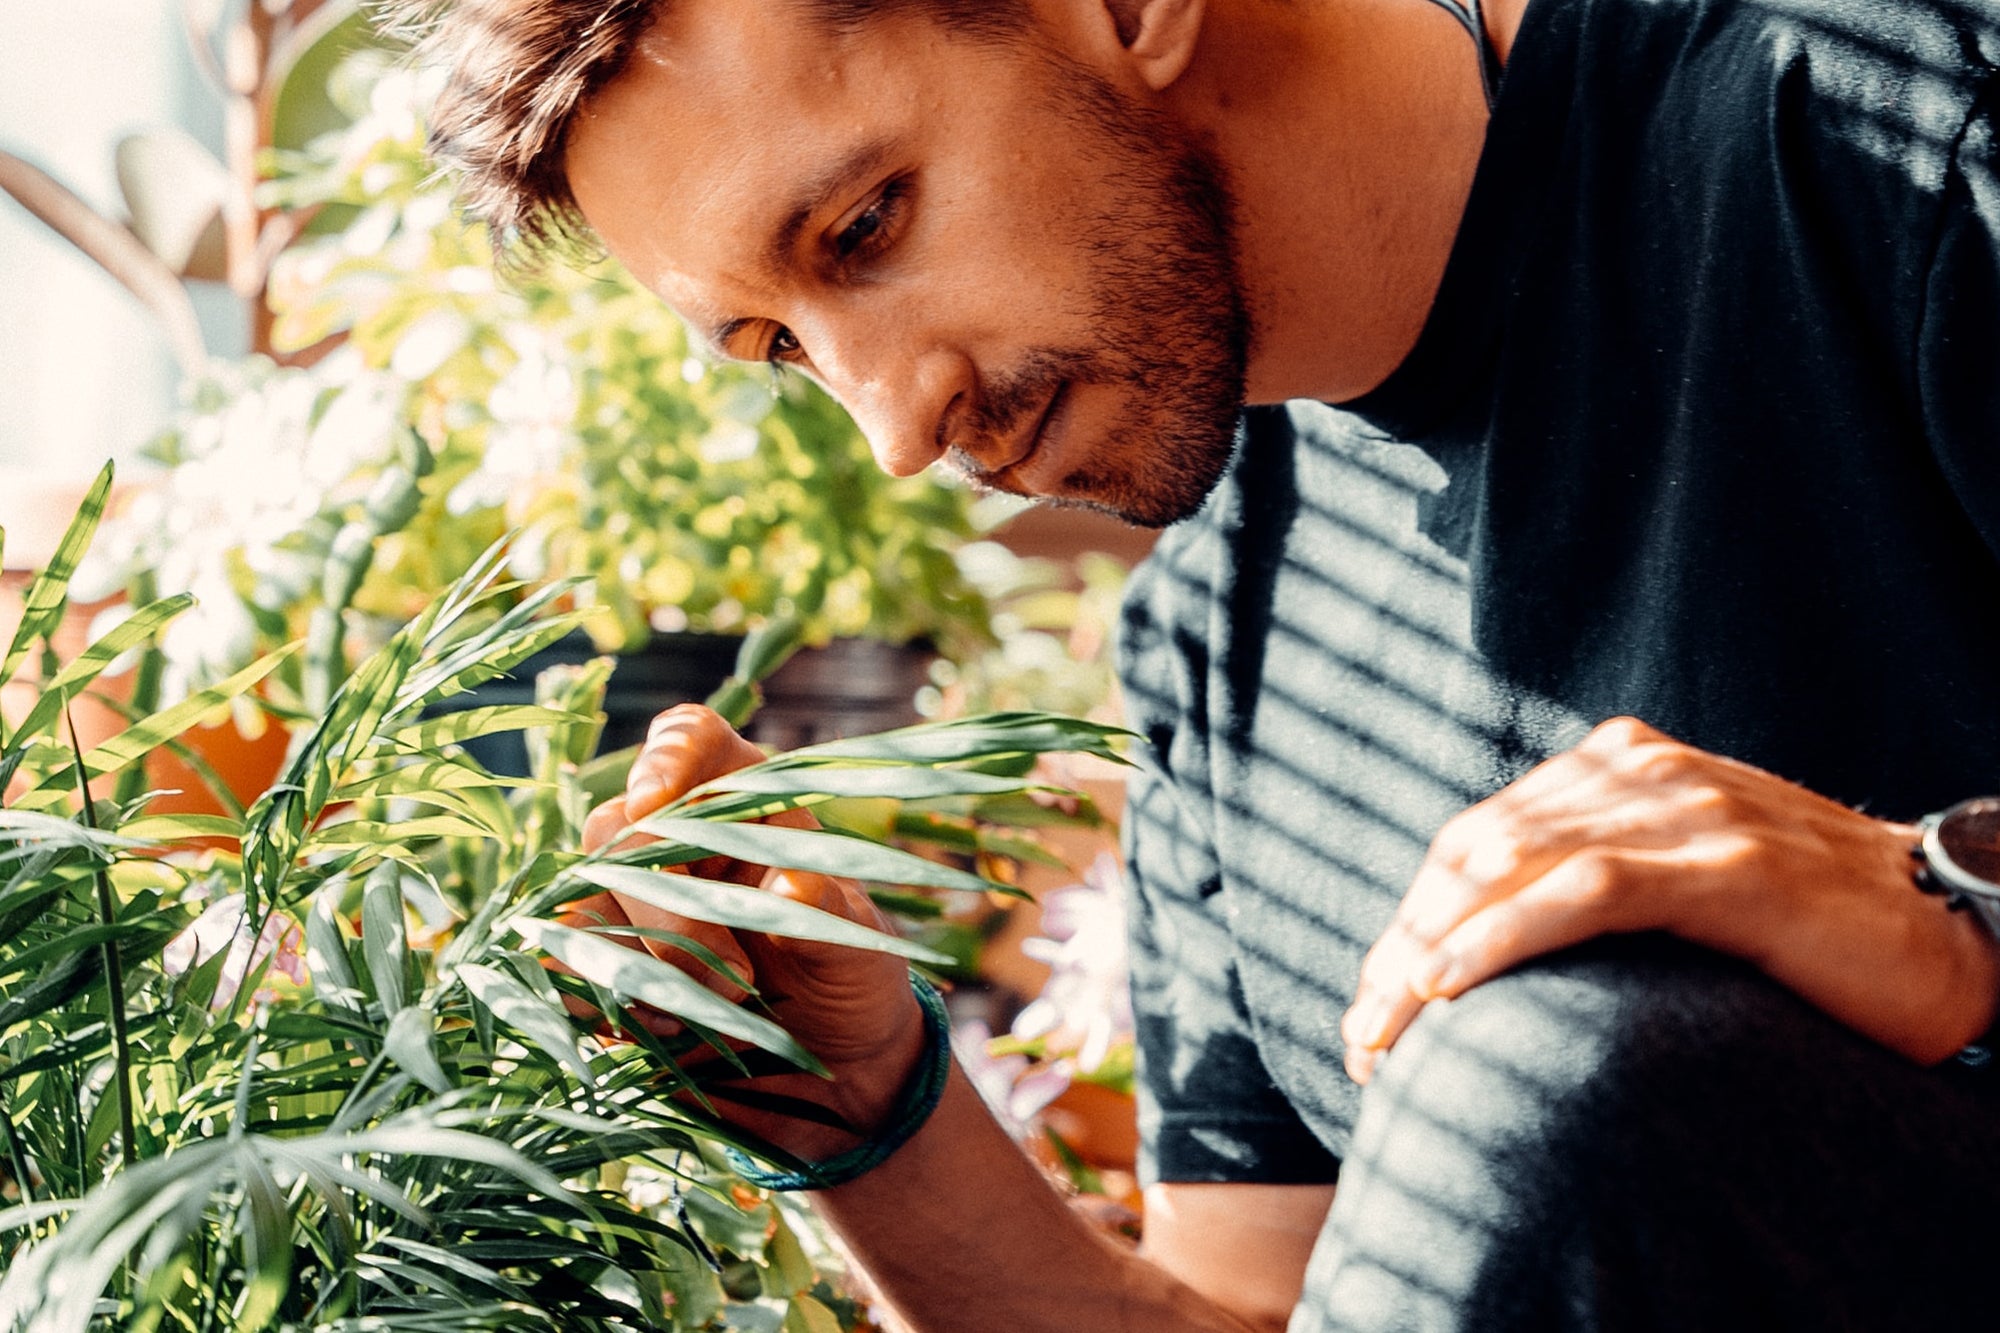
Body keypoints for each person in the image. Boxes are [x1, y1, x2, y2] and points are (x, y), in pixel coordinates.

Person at [398, 0, 2000, 1327]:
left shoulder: (1891, 130)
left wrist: (1949, 897)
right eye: (782, 350)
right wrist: (865, 1110)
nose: (889, 424)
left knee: (1563, 1064)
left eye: (865, 226)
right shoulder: (1217, 633)